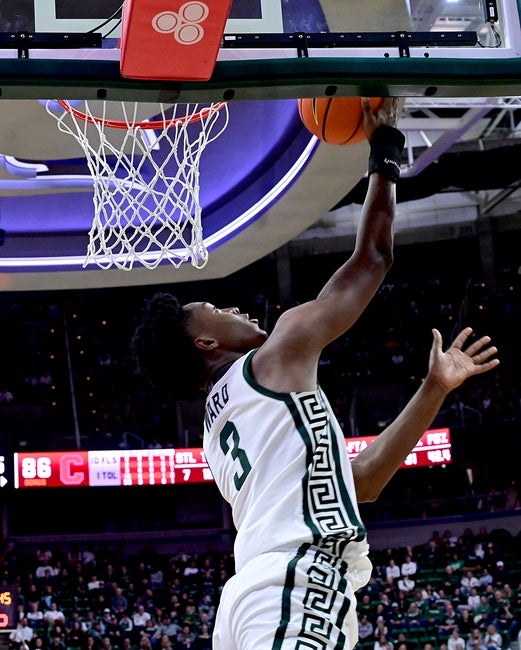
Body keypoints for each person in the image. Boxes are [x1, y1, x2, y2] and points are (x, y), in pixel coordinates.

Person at [130, 97, 500, 650]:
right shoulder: (273, 358)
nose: (235, 309)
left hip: (253, 595)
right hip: (296, 581)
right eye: (217, 309)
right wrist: (385, 146)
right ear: (205, 343)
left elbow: (363, 481)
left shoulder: (215, 433)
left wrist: (434, 388)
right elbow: (372, 259)